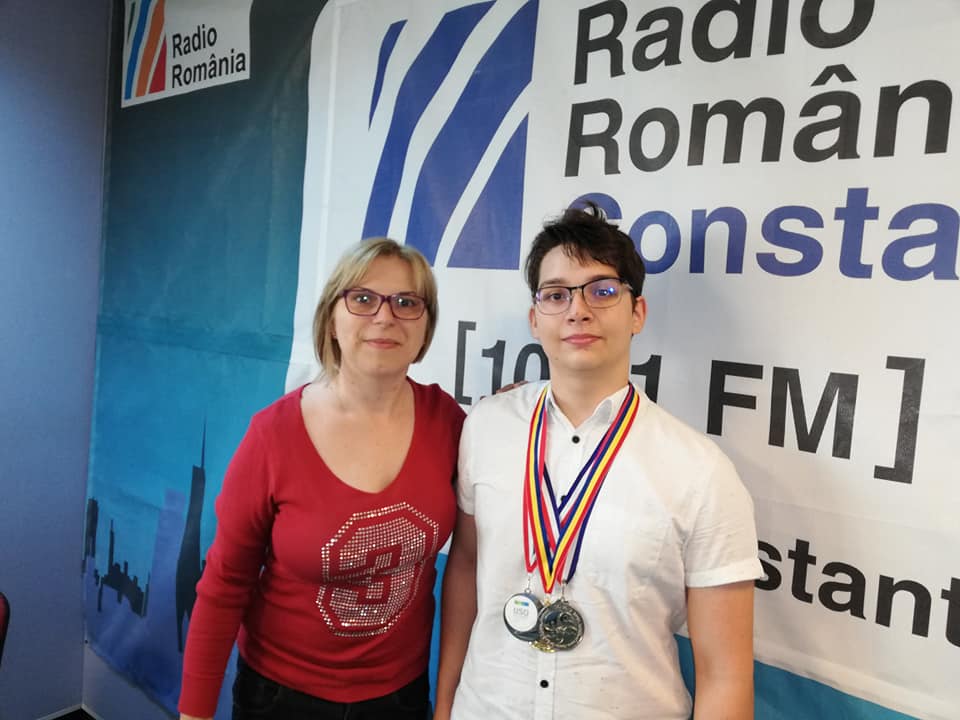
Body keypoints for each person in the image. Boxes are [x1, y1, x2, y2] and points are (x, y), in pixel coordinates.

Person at [435, 203, 763, 720]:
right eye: (556, 294)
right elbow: (467, 565)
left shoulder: (701, 471)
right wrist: (445, 705)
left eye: (602, 290)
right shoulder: (486, 427)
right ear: (535, 318)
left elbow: (725, 676)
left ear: (638, 313)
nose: (578, 310)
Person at [179, 238, 465, 720]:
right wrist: (194, 714)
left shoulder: (450, 423)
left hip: (400, 697)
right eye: (363, 298)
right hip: (280, 698)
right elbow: (226, 583)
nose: (385, 316)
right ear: (332, 320)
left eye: (406, 302)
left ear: (425, 327)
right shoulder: (273, 435)